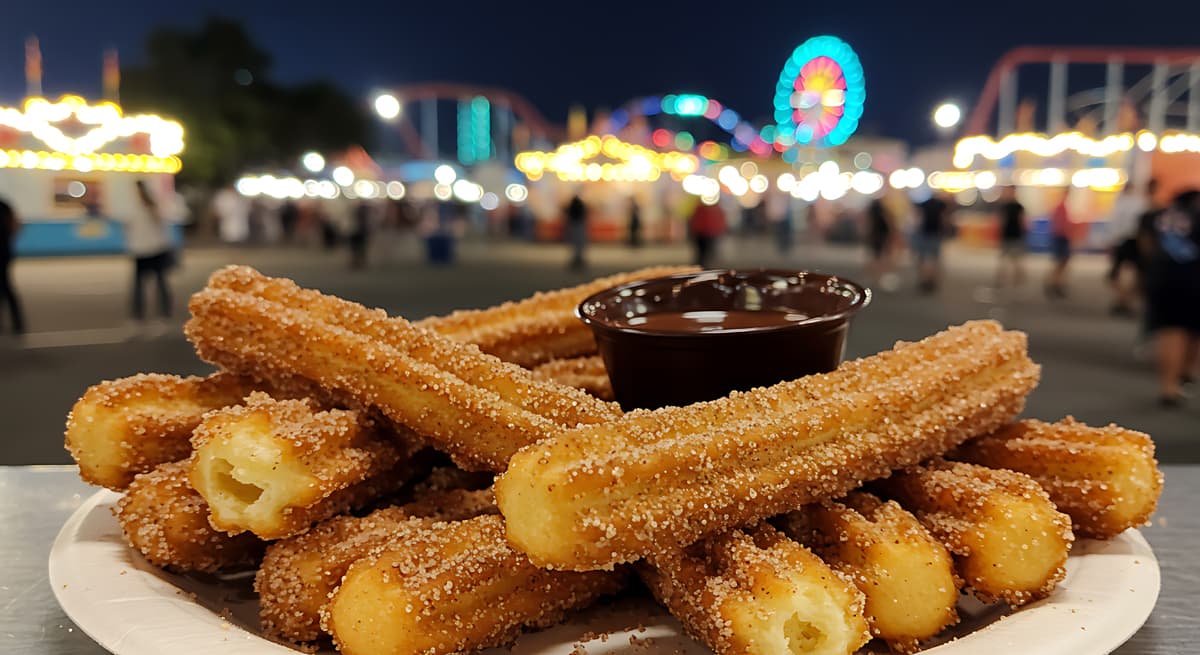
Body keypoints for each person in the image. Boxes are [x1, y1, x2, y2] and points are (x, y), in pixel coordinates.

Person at [1141, 190, 1200, 407]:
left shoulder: (1157, 216)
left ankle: (1168, 385)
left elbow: (1145, 244)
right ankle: (1187, 372)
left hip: (1163, 278)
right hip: (1194, 280)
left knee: (1169, 331)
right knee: (1192, 332)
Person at [125, 180, 174, 329]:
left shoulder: (152, 206)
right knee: (139, 286)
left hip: (155, 249)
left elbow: (161, 222)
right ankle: (138, 316)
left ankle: (163, 315)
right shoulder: (134, 207)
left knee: (159, 283)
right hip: (140, 250)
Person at [1106, 180, 1156, 316]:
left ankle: (1122, 299)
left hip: (1122, 240)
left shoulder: (1119, 203)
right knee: (1137, 274)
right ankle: (1126, 300)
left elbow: (1114, 224)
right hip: (1134, 240)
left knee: (1115, 274)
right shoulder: (1140, 204)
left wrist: (1111, 241)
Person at [913, 192, 952, 293]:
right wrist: (945, 231)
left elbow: (918, 218)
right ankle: (933, 280)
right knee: (935, 259)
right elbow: (945, 218)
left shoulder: (923, 204)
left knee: (922, 258)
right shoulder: (941, 204)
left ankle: (923, 279)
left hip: (924, 233)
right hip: (935, 234)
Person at [0, 196, 25, 335]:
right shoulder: (5, 206)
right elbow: (16, 225)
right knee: (5, 287)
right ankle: (17, 322)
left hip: (2, 252)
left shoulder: (3, 206)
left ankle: (18, 322)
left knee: (5, 286)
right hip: (5, 251)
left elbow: (15, 225)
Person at [995, 186, 1027, 289]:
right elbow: (1000, 221)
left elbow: (1023, 221)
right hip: (1006, 235)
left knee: (1016, 259)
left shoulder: (1018, 206)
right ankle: (1001, 279)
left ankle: (1017, 279)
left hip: (1016, 235)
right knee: (1003, 259)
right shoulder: (1004, 206)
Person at [1045, 190, 1073, 299]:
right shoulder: (1061, 207)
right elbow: (1060, 224)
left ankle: (1056, 283)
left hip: (1060, 237)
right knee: (1060, 263)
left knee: (1061, 263)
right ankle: (1054, 284)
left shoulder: (1061, 206)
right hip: (1060, 237)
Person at [689, 200, 726, 269]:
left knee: (706, 253)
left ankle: (703, 267)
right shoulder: (715, 209)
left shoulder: (700, 208)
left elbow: (694, 220)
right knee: (704, 253)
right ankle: (702, 267)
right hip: (705, 234)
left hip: (708, 234)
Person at [864, 197, 893, 285]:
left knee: (874, 257)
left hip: (874, 237)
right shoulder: (882, 215)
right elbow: (888, 227)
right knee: (880, 258)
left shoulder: (871, 216)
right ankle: (878, 276)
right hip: (881, 238)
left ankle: (872, 276)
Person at [565, 194, 588, 270]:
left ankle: (576, 258)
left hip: (574, 224)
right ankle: (579, 258)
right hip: (579, 224)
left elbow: (568, 213)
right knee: (579, 243)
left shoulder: (573, 205)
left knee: (575, 243)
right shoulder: (580, 205)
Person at [348, 201, 371, 269]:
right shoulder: (362, 214)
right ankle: (357, 262)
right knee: (357, 248)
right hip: (355, 231)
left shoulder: (362, 215)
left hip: (358, 231)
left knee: (359, 248)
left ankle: (359, 262)